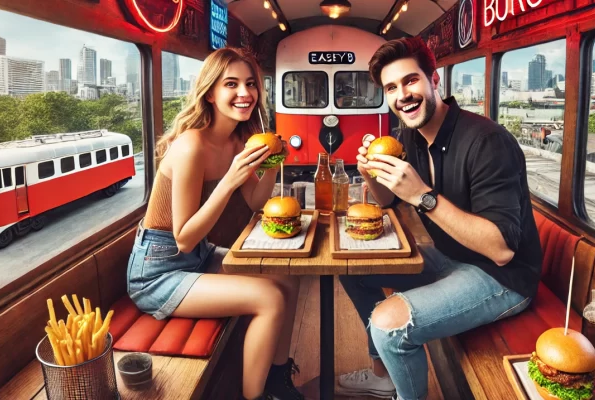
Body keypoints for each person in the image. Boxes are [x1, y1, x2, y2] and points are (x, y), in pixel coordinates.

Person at [336, 37, 544, 400]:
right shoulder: (410, 137)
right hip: (449, 258)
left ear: (434, 81)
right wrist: (369, 171)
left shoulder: (487, 142)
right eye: (391, 87)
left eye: (410, 80)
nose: (403, 94)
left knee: (388, 327)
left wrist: (422, 195)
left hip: (502, 279)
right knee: (354, 266)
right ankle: (383, 374)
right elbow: (387, 200)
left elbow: (501, 250)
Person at [126, 47, 303, 400]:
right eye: (231, 84)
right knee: (269, 299)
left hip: (198, 258)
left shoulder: (237, 139)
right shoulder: (192, 146)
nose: (244, 93)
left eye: (250, 84)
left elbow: (256, 202)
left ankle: (279, 377)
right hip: (157, 271)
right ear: (210, 92)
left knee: (287, 274)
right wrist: (229, 181)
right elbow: (184, 239)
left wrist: (269, 165)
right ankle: (256, 396)